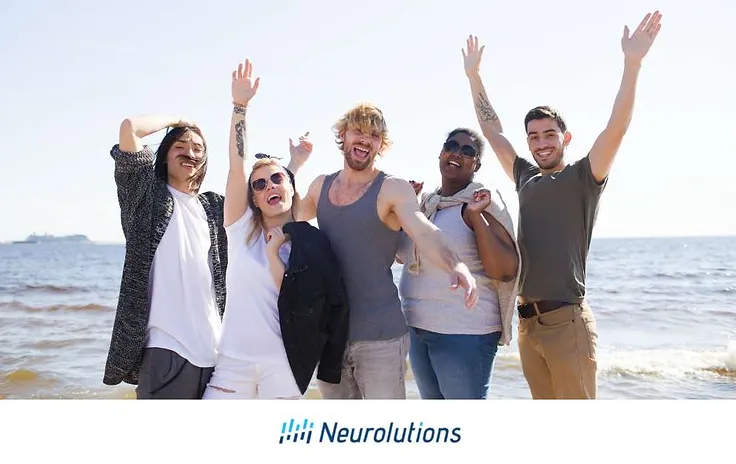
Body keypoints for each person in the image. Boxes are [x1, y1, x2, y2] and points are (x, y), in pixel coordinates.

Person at [461, 11, 663, 399]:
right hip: (527, 324)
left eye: (549, 135)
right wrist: (474, 77)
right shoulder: (525, 176)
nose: (541, 143)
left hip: (567, 322)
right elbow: (492, 129)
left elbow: (616, 126)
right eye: (533, 137)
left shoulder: (584, 177)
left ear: (565, 138)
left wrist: (632, 63)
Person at [294, 102, 480, 399]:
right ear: (343, 134)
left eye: (374, 135)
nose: (365, 139)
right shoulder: (320, 186)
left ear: (381, 144)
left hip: (380, 338)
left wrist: (455, 265)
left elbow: (423, 231)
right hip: (329, 336)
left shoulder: (392, 189)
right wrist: (295, 164)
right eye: (358, 131)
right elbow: (286, 214)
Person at [202, 59, 349, 399]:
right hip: (233, 362)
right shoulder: (239, 231)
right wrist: (240, 108)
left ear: (291, 185)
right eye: (260, 185)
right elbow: (238, 168)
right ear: (252, 198)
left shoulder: (305, 241)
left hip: (284, 365)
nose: (269, 186)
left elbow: (300, 297)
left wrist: (273, 252)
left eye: (277, 179)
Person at [103, 113, 227, 399]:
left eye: (198, 148)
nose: (190, 152)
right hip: (165, 348)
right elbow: (129, 128)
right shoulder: (146, 196)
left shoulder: (213, 207)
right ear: (165, 155)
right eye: (180, 145)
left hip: (215, 352)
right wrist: (179, 119)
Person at [396, 128, 520, 399]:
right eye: (451, 146)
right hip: (418, 328)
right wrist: (406, 208)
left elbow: (506, 270)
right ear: (441, 153)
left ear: (476, 164)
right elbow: (403, 256)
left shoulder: (482, 200)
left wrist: (476, 216)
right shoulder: (428, 205)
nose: (457, 153)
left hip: (463, 332)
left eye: (468, 151)